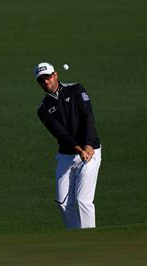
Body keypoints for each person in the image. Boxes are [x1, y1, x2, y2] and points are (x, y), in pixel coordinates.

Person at [34, 62, 102, 229]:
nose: (46, 82)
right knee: (62, 202)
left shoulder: (76, 90)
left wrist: (87, 144)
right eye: (41, 80)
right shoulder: (43, 109)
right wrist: (78, 149)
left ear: (55, 75)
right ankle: (76, 235)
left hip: (90, 151)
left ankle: (90, 239)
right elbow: (60, 133)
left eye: (48, 77)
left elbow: (88, 116)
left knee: (82, 199)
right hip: (67, 154)